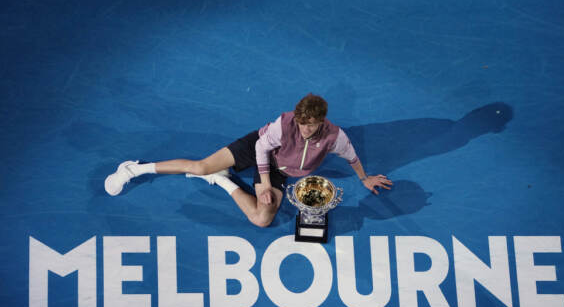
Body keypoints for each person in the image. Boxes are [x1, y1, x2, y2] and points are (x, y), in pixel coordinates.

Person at [104, 93, 392, 227]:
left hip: (280, 170)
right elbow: (261, 149)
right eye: (302, 123)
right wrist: (264, 184)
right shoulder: (284, 125)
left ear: (321, 121)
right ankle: (133, 169)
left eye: (310, 125)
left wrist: (364, 177)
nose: (304, 129)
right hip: (256, 148)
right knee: (200, 166)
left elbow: (352, 157)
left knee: (262, 219)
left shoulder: (335, 137)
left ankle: (222, 181)